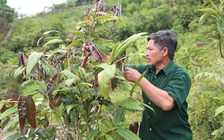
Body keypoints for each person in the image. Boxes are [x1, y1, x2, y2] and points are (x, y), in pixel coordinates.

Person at [124, 30, 192, 140]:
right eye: (147, 49)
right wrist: (96, 52)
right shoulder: (147, 71)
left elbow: (167, 102)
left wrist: (139, 79)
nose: (147, 53)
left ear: (164, 51)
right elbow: (118, 66)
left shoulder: (180, 75)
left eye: (150, 49)